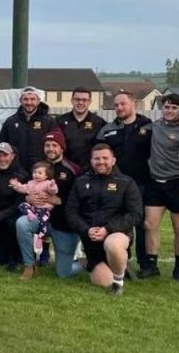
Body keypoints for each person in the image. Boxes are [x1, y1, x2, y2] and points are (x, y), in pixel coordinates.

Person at [66, 143, 143, 296]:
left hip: (117, 234)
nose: (101, 162)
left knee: (113, 244)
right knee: (102, 282)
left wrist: (108, 229)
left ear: (113, 160)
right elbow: (70, 212)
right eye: (97, 159)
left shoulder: (126, 182)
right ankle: (110, 265)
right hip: (91, 241)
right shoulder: (81, 182)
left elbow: (135, 214)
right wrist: (86, 230)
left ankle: (118, 282)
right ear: (91, 161)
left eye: (105, 158)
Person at [140, 93, 179, 281]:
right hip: (155, 183)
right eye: (166, 107)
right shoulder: (155, 126)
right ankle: (152, 266)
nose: (170, 110)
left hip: (177, 184)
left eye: (174, 108)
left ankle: (178, 269)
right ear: (161, 108)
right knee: (149, 225)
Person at [15, 130, 83, 280]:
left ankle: (84, 264)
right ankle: (29, 265)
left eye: (54, 145)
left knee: (63, 273)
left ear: (62, 148)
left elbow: (82, 197)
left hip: (63, 224)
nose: (51, 148)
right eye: (47, 145)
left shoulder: (73, 169)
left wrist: (59, 200)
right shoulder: (38, 168)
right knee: (22, 223)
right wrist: (28, 197)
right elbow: (24, 188)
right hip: (40, 218)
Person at [97, 90, 152, 274]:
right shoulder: (107, 129)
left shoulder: (149, 126)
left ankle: (146, 265)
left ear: (133, 104)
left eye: (123, 104)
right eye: (116, 105)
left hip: (143, 184)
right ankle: (123, 263)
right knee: (120, 223)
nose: (119, 108)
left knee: (142, 224)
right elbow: (99, 155)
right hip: (116, 186)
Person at [0, 87, 57, 172]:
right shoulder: (10, 122)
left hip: (40, 173)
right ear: (20, 101)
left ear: (38, 100)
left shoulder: (49, 122)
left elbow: (56, 147)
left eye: (32, 99)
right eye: (25, 99)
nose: (29, 102)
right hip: (16, 172)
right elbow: (1, 146)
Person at [11, 161, 58, 251]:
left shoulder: (47, 183)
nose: (36, 175)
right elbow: (23, 188)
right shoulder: (30, 183)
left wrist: (53, 186)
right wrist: (16, 185)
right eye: (35, 172)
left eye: (40, 173)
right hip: (33, 208)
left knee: (43, 222)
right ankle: (29, 214)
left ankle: (41, 236)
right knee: (22, 205)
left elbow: (54, 191)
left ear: (46, 175)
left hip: (43, 209)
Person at [55, 87, 106, 169]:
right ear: (72, 100)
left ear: (90, 102)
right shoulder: (60, 121)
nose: (80, 102)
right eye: (77, 99)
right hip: (65, 170)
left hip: (90, 171)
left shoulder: (99, 123)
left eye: (84, 100)